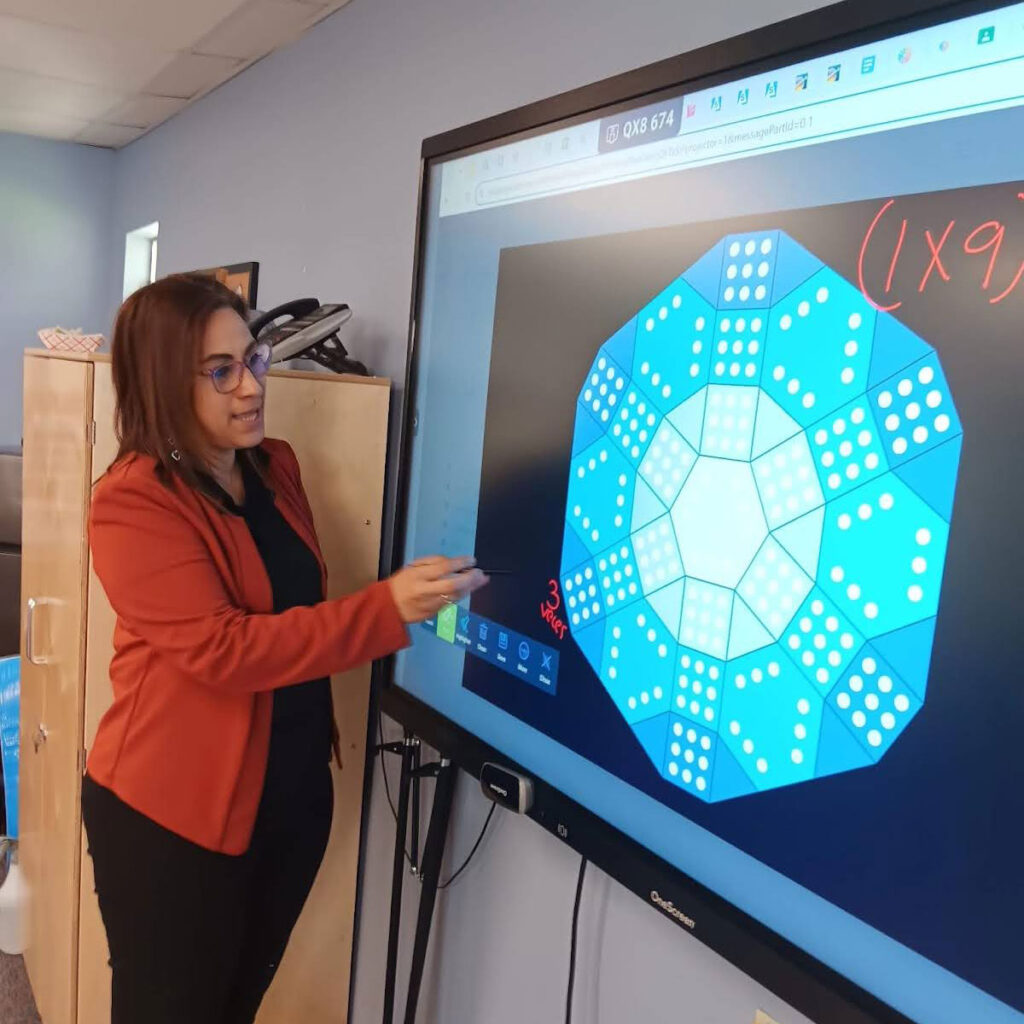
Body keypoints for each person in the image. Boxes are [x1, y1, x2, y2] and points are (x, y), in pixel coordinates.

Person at [81, 274, 486, 1024]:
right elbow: (225, 651)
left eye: (255, 358)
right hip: (174, 821)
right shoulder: (133, 501)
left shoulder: (276, 465)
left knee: (234, 1005)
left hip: (290, 801)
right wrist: (386, 609)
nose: (251, 386)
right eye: (220, 371)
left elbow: (295, 604)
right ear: (164, 383)